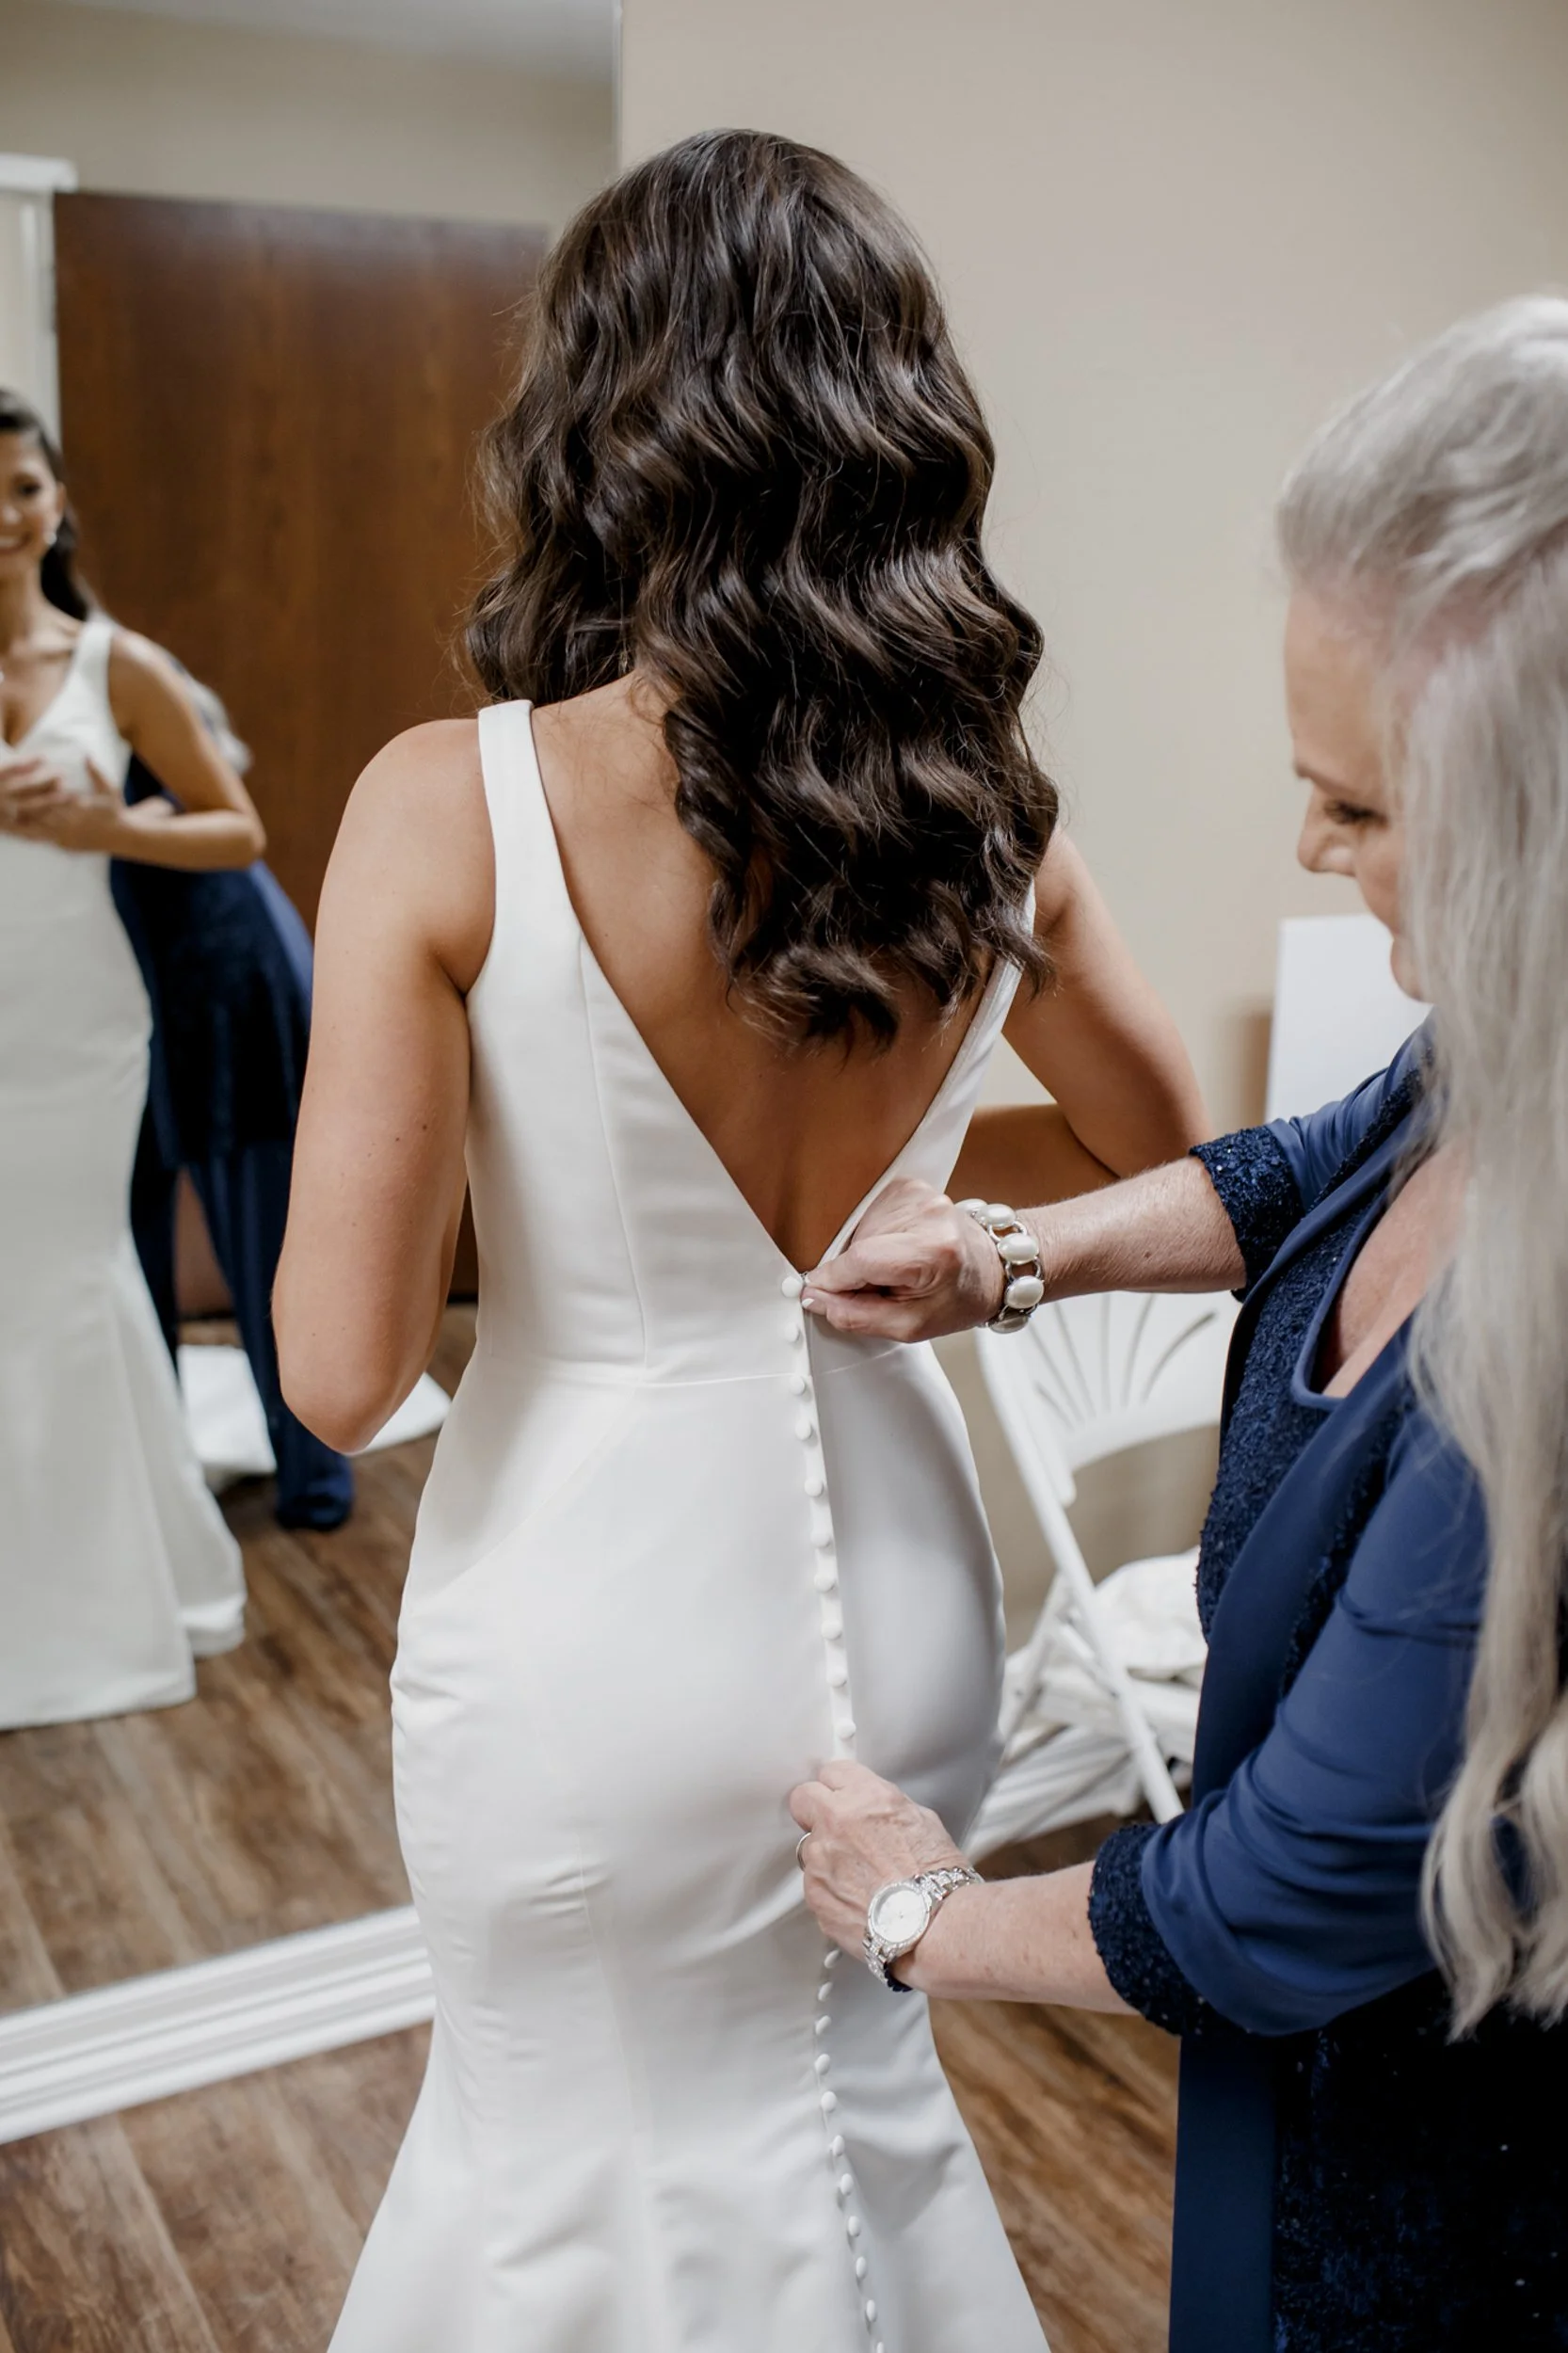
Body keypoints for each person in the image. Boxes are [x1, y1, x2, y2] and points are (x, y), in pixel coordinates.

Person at [276, 132, 1207, 2353]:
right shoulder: (989, 819)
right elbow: (1182, 1156)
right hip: (905, 1594)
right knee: (851, 2101)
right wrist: (951, 1222)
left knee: (561, 2159)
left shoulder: (448, 799)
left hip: (587, 1608)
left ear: (602, 420)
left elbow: (337, 1368)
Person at [792, 298, 1568, 2351]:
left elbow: (1282, 1892)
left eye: (1360, 808)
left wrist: (921, 1911)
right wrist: (1008, 1256)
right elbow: (1307, 1164)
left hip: (1465, 2185)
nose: (1307, 847)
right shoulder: (1501, 1048)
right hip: (1304, 2079)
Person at [0, 389, 264, 1725]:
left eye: (22, 487)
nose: (4, 517)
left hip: (77, 1025)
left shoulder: (118, 667)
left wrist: (109, 826)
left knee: (66, 1283)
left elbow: (238, 830)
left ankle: (101, 1600)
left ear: (57, 502)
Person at [116, 683, 354, 1530]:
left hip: (223, 976)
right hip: (112, 997)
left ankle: (314, 1481)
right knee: (123, 1246)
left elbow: (224, 807)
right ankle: (151, 1474)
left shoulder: (114, 670)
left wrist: (99, 826)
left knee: (265, 1244)